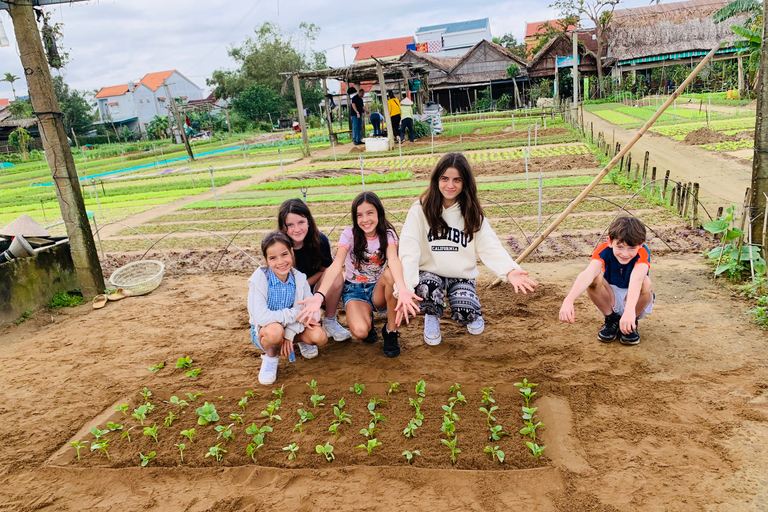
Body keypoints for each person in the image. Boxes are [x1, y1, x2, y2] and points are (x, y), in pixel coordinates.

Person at [398, 152, 537, 345]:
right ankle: (432, 316)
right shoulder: (420, 210)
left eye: (457, 179)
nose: (450, 185)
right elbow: (408, 249)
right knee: (427, 289)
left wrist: (509, 270)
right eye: (444, 178)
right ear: (436, 180)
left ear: (465, 183)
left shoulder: (471, 212)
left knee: (466, 311)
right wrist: (404, 287)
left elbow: (489, 244)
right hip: (430, 272)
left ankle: (472, 312)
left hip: (460, 274)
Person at [297, 192, 420, 358]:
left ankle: (390, 331)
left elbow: (394, 260)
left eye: (370, 213)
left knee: (390, 274)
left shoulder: (388, 234)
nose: (365, 219)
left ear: (379, 213)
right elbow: (335, 265)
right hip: (354, 289)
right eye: (359, 215)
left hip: (378, 288)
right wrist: (319, 295)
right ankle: (366, 318)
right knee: (361, 332)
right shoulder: (349, 234)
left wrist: (402, 288)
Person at [247, 232, 328, 385]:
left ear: (292, 252)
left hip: (292, 328)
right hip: (266, 331)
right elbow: (262, 317)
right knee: (275, 331)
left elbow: (314, 314)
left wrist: (289, 333)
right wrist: (297, 315)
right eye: (272, 258)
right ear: (266, 260)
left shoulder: (299, 278)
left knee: (320, 336)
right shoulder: (260, 278)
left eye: (284, 254)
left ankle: (294, 340)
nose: (280, 262)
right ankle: (270, 358)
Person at [559, 216, 653, 345]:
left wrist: (630, 311)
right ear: (610, 241)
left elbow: (636, 279)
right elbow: (588, 273)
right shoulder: (603, 249)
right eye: (620, 247)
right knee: (594, 277)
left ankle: (631, 323)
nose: (625, 254)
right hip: (609, 297)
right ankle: (611, 320)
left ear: (640, 244)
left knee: (646, 282)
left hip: (635, 300)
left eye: (631, 248)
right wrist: (569, 300)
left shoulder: (643, 252)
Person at [277, 198, 352, 342]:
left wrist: (308, 287)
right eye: (290, 225)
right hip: (290, 293)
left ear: (309, 221)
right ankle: (300, 332)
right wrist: (302, 285)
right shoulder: (280, 246)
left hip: (315, 290)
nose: (297, 229)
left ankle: (330, 320)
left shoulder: (320, 240)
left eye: (301, 222)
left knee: (335, 276)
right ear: (283, 227)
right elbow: (284, 282)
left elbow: (326, 271)